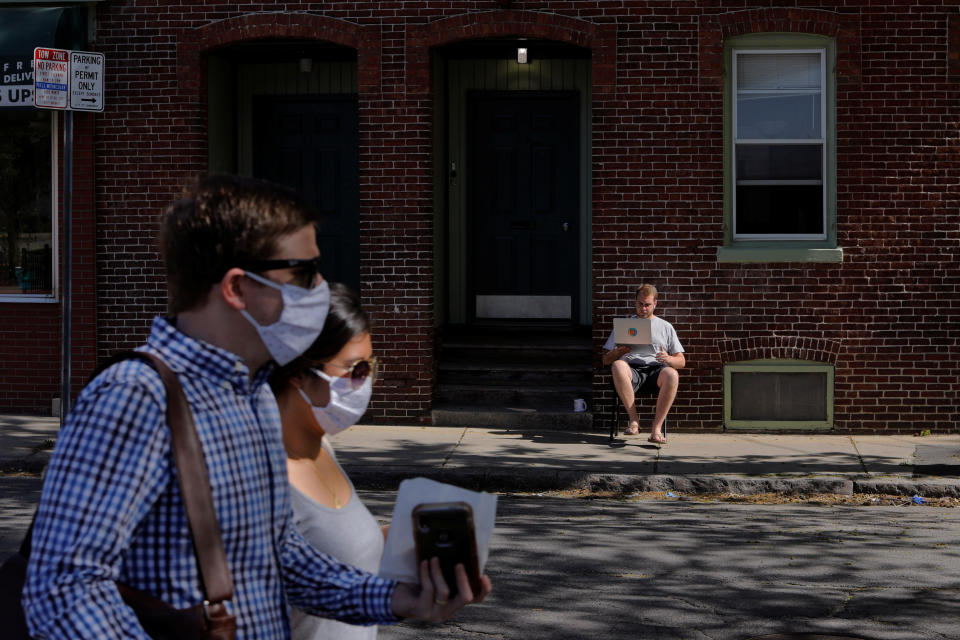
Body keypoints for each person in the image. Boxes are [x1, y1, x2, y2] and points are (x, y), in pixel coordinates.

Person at [22, 175, 490, 639]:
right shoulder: (135, 396)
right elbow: (65, 590)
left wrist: (391, 599)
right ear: (237, 288)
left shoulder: (255, 396)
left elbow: (278, 555)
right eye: (304, 274)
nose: (321, 288)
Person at [269, 282, 386, 640]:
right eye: (354, 369)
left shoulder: (323, 449)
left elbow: (330, 550)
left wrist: (400, 537)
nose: (364, 383)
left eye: (369, 367)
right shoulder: (261, 474)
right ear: (298, 373)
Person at [601, 283, 685, 444]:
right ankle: (634, 421)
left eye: (647, 305)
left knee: (673, 374)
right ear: (635, 302)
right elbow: (605, 360)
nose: (643, 308)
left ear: (655, 304)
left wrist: (667, 358)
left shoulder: (666, 327)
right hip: (630, 371)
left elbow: (681, 361)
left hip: (657, 370)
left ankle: (656, 430)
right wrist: (617, 353)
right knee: (617, 365)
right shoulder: (625, 325)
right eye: (640, 304)